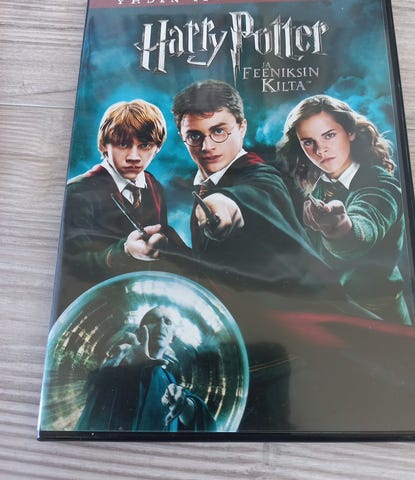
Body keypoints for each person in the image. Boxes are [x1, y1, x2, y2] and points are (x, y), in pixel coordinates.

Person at [171, 80, 341, 295]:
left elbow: (259, 191)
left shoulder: (261, 175)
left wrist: (224, 203)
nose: (207, 146)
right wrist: (168, 246)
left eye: (219, 131)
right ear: (182, 136)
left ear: (242, 128)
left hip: (304, 305)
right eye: (195, 136)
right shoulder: (206, 184)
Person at [277, 94, 411, 325]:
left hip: (380, 317)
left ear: (350, 132)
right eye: (308, 142)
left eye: (329, 135)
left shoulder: (379, 184)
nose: (320, 149)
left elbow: (365, 225)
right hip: (336, 310)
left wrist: (340, 229)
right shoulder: (321, 185)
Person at [56, 100, 184, 316]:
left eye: (145, 146)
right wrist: (124, 252)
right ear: (104, 145)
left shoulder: (154, 186)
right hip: (97, 309)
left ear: (157, 148)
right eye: (123, 145)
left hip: (144, 302)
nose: (134, 157)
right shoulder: (78, 192)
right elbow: (72, 264)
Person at [75, 306, 216, 432]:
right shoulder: (118, 365)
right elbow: (92, 391)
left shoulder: (171, 382)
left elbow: (203, 422)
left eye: (167, 322)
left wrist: (185, 405)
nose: (161, 325)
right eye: (153, 320)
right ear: (139, 332)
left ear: (172, 338)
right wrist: (122, 368)